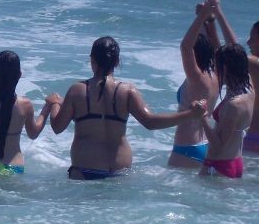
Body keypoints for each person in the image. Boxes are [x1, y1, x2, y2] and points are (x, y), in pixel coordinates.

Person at [50, 36, 206, 180]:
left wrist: (55, 104)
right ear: (117, 61)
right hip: (118, 172)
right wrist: (190, 114)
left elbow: (57, 127)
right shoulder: (127, 91)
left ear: (92, 60)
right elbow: (151, 122)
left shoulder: (77, 90)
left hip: (84, 170)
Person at [168, 0, 222, 167]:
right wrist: (208, 20)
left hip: (186, 148)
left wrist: (203, 14)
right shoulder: (216, 75)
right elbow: (216, 47)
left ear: (195, 54)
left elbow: (185, 46)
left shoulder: (197, 77)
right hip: (205, 145)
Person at [199, 37, 253, 178]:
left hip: (217, 166)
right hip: (235, 162)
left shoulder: (233, 105)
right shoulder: (250, 92)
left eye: (216, 66)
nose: (214, 70)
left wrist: (202, 117)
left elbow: (218, 146)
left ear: (225, 68)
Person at [245, 19, 259, 154]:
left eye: (252, 38)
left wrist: (216, 17)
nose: (248, 42)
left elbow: (230, 53)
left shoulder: (254, 64)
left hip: (253, 140)